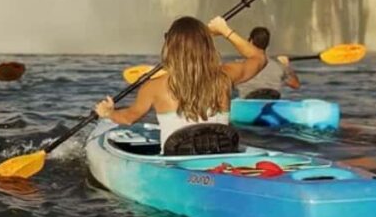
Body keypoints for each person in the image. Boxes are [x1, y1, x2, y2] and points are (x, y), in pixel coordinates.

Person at [94, 16, 266, 152]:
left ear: (171, 46)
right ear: (206, 45)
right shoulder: (225, 76)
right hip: (220, 158)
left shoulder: (153, 87)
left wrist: (108, 112)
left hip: (175, 164)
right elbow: (259, 58)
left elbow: (128, 118)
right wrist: (225, 30)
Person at [235, 27, 300, 100]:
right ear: (267, 44)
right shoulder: (279, 66)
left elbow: (223, 85)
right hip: (272, 102)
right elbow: (296, 85)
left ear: (251, 41)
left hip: (248, 105)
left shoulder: (238, 65)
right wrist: (287, 66)